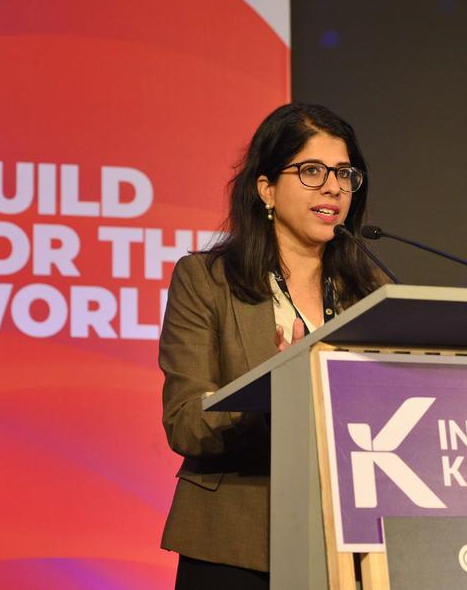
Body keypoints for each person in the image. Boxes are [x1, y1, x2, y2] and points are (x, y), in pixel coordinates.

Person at [158, 102, 383, 589]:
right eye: (311, 171)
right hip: (234, 542)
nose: (333, 187)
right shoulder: (206, 280)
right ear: (267, 189)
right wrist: (274, 393)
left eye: (344, 173)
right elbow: (185, 423)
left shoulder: (372, 292)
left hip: (349, 542)